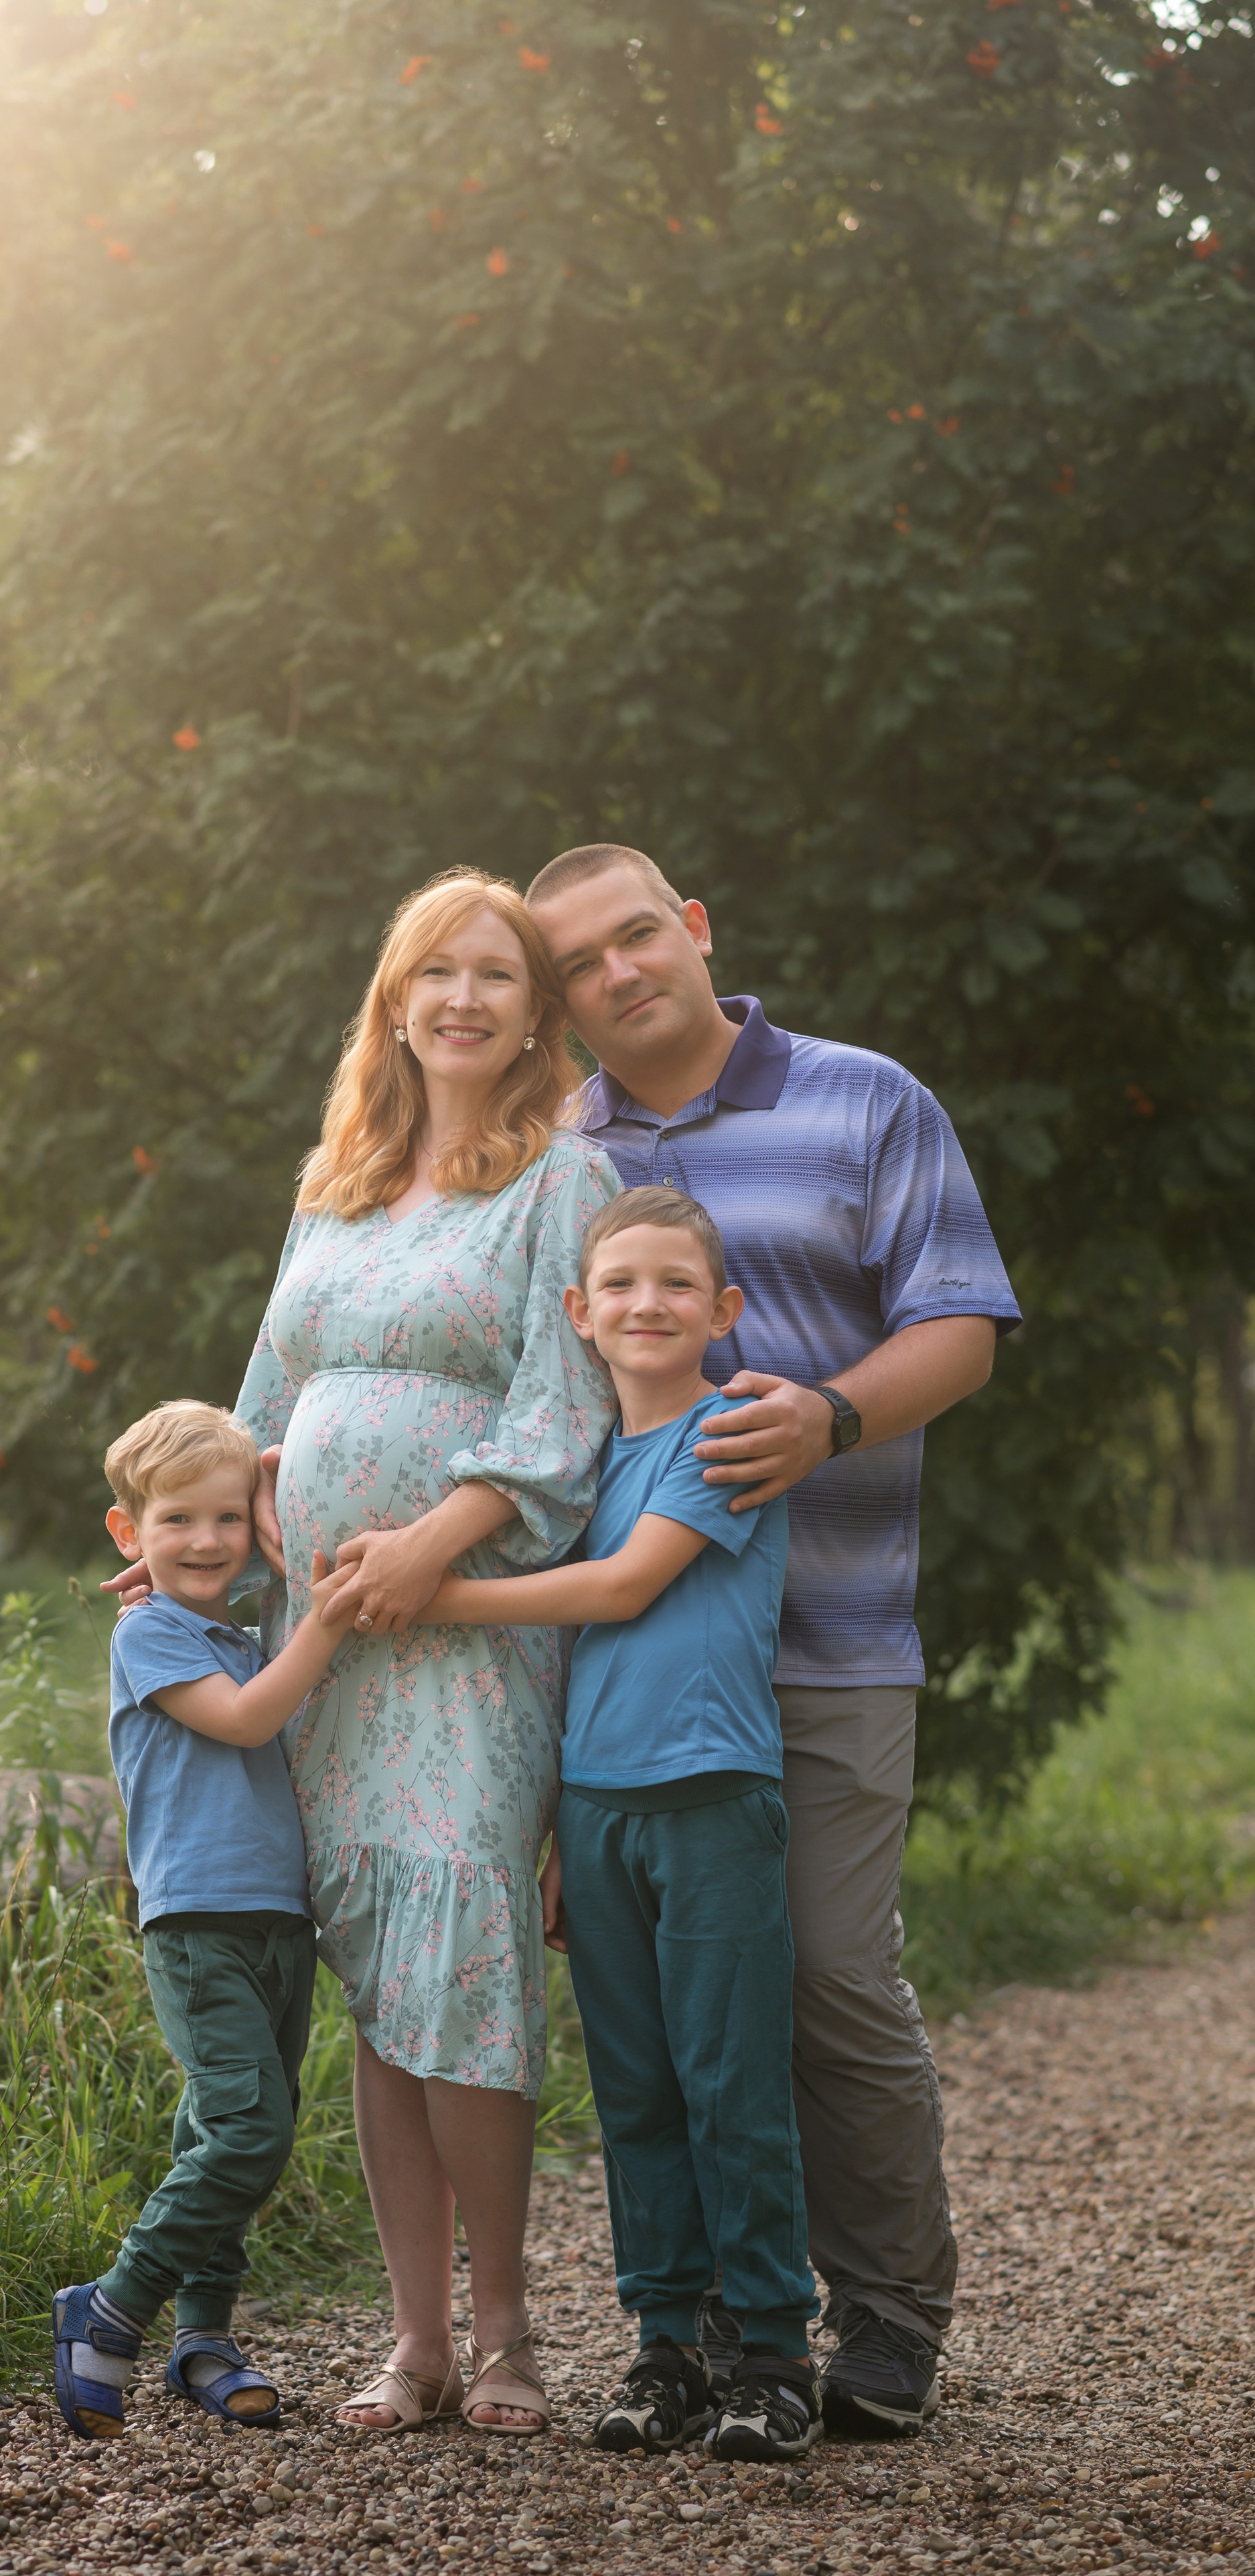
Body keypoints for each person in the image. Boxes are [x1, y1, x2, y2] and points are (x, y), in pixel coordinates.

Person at [524, 842, 1021, 2437]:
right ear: (562, 999)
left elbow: (959, 1324)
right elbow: (493, 1378)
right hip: (629, 1678)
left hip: (830, 1639)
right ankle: (717, 2332)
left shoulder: (867, 1100)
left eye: (635, 934)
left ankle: (884, 2311)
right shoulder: (552, 1154)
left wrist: (831, 1413)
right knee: (667, 2025)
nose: (617, 971)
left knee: (821, 1973)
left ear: (693, 929)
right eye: (578, 962)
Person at [234, 868, 621, 2435]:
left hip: (464, 1630)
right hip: (324, 1640)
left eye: (496, 974)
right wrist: (239, 1498)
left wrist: (421, 1547)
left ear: (533, 1012)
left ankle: (512, 2328)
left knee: (458, 1936)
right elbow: (263, 1391)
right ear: (394, 1002)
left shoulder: (560, 1183)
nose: (463, 997)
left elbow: (559, 1411)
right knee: (378, 1967)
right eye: (434, 972)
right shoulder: (334, 1181)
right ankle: (415, 2342)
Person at [414, 1185, 822, 2464]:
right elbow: (576, 1665)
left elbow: (625, 1585)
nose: (651, 1305)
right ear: (582, 1315)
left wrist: (434, 1589)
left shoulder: (730, 1434)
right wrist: (551, 1828)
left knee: (730, 2085)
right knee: (635, 2092)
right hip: (596, 1815)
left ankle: (770, 2354)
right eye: (624, 1286)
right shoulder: (586, 1464)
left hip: (710, 1801)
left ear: (724, 1310)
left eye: (678, 1285)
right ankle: (665, 2347)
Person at [52, 1399, 355, 2439]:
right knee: (247, 2129)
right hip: (196, 1924)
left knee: (223, 2131)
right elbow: (246, 1717)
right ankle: (112, 2308)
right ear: (127, 1533)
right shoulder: (150, 1633)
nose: (209, 1541)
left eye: (229, 1519)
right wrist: (324, 1618)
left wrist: (263, 1483)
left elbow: (261, 1545)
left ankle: (204, 2339)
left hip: (279, 1923)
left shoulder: (233, 1623)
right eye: (177, 1521)